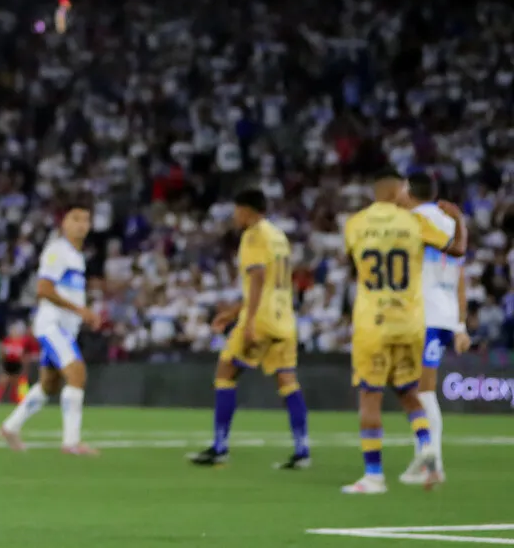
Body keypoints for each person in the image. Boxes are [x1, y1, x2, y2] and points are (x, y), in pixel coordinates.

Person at [340, 168, 466, 495]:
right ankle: (426, 447)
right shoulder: (420, 222)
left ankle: (374, 475)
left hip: (376, 319)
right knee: (410, 391)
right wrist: (461, 222)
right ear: (398, 190)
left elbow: (353, 263)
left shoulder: (357, 223)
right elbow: (456, 252)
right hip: (413, 320)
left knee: (371, 395)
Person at [188, 189, 311, 469]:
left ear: (246, 211)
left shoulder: (253, 235)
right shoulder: (278, 236)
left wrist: (250, 320)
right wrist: (231, 313)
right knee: (287, 380)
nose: (234, 216)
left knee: (225, 371)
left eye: (236, 210)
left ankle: (220, 447)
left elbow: (257, 278)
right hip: (284, 317)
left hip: (262, 317)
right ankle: (302, 450)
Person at [0, 206, 100, 455]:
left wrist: (80, 312)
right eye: (76, 219)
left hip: (66, 327)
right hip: (52, 324)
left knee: (49, 384)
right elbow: (43, 289)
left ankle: (10, 427)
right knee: (77, 373)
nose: (82, 224)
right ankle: (71, 442)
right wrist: (80, 310)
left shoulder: (77, 257)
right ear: (64, 223)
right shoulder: (57, 251)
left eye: (86, 220)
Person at [398, 172, 471, 485]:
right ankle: (427, 458)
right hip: (444, 317)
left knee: (421, 391)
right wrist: (460, 325)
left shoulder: (412, 221)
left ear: (410, 191)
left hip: (422, 315)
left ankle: (432, 461)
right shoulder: (449, 221)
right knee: (421, 389)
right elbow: (461, 276)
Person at [0, 320, 39, 404]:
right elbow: (2, 354)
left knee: (18, 384)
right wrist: (1, 363)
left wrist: (25, 363)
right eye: (12, 331)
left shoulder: (24, 341)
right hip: (8, 364)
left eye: (15, 331)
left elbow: (28, 353)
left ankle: (19, 401)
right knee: (3, 382)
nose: (13, 333)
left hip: (18, 365)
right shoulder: (7, 341)